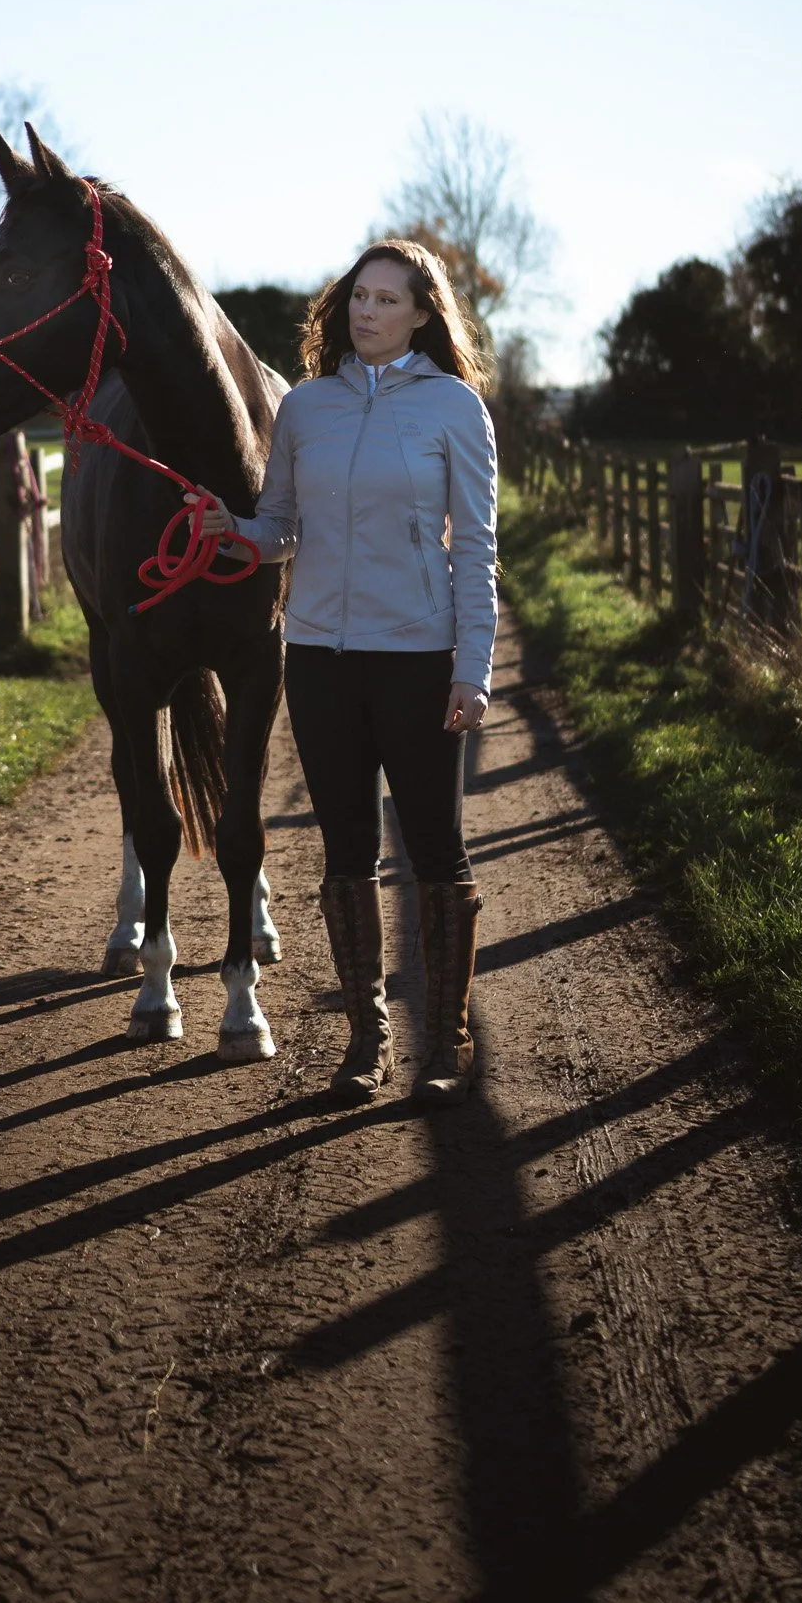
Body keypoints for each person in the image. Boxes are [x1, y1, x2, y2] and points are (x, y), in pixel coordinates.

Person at [200, 240, 497, 1105]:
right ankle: (366, 1044)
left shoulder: (453, 409)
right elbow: (281, 525)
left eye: (385, 299)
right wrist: (234, 530)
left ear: (421, 314)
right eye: (356, 297)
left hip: (417, 655)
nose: (365, 311)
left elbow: (475, 549)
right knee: (345, 853)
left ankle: (443, 1040)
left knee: (437, 851)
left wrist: (470, 670)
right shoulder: (304, 409)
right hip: (322, 660)